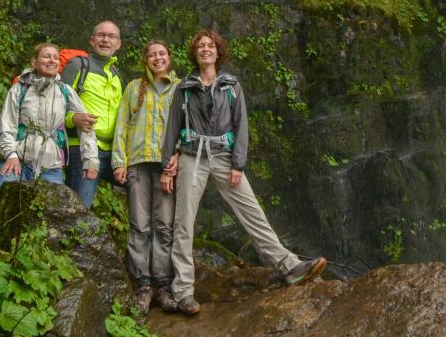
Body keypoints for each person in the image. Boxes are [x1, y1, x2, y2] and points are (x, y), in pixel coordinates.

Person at [160, 30, 326, 316]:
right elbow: (172, 129)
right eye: (200, 46)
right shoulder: (184, 88)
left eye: (209, 45)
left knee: (253, 213)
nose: (205, 49)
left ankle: (289, 267)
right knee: (183, 224)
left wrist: (238, 164)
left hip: (225, 157)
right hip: (192, 158)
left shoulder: (231, 85)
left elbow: (241, 126)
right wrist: (167, 165)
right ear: (195, 53)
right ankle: (184, 291)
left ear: (218, 51)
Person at [113, 40, 181, 315]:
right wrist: (120, 162)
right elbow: (122, 126)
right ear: (145, 60)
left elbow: (186, 127)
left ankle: (163, 285)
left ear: (169, 57)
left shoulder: (180, 89)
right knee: (139, 225)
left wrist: (176, 157)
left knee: (164, 225)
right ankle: (143, 285)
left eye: (162, 53)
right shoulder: (132, 88)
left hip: (167, 166)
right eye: (152, 54)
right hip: (138, 163)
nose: (157, 58)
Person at [0, 43, 100, 186]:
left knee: (54, 208)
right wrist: (11, 155)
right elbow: (6, 125)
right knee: (10, 205)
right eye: (47, 57)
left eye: (56, 58)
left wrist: (90, 161)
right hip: (18, 159)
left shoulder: (65, 91)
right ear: (34, 62)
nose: (52, 61)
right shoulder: (19, 89)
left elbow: (86, 126)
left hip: (51, 165)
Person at [62, 20, 124, 208]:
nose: (106, 40)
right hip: (83, 149)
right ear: (92, 40)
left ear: (118, 44)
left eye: (111, 36)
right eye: (101, 35)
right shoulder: (78, 66)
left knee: (144, 187)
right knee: (80, 208)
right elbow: (56, 104)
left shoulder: (117, 75)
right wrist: (73, 118)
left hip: (113, 153)